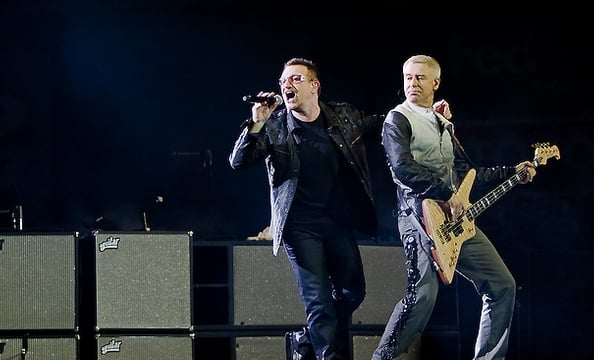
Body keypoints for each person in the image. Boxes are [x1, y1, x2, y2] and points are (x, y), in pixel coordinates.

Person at [372, 54, 537, 360]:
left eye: (420, 78)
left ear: (436, 82)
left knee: (503, 285)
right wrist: (448, 192)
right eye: (408, 77)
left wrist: (513, 171)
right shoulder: (398, 118)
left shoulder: (443, 123)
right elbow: (402, 169)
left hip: (455, 218)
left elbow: (468, 173)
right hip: (417, 215)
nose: (412, 83)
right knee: (423, 293)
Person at [228, 57, 385, 360]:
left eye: (296, 79)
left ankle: (306, 339)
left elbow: (384, 122)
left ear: (315, 86)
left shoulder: (343, 116)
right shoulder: (273, 127)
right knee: (318, 302)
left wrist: (422, 111)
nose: (287, 85)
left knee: (353, 293)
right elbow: (239, 162)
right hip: (299, 227)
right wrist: (257, 120)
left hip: (337, 221)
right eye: (283, 81)